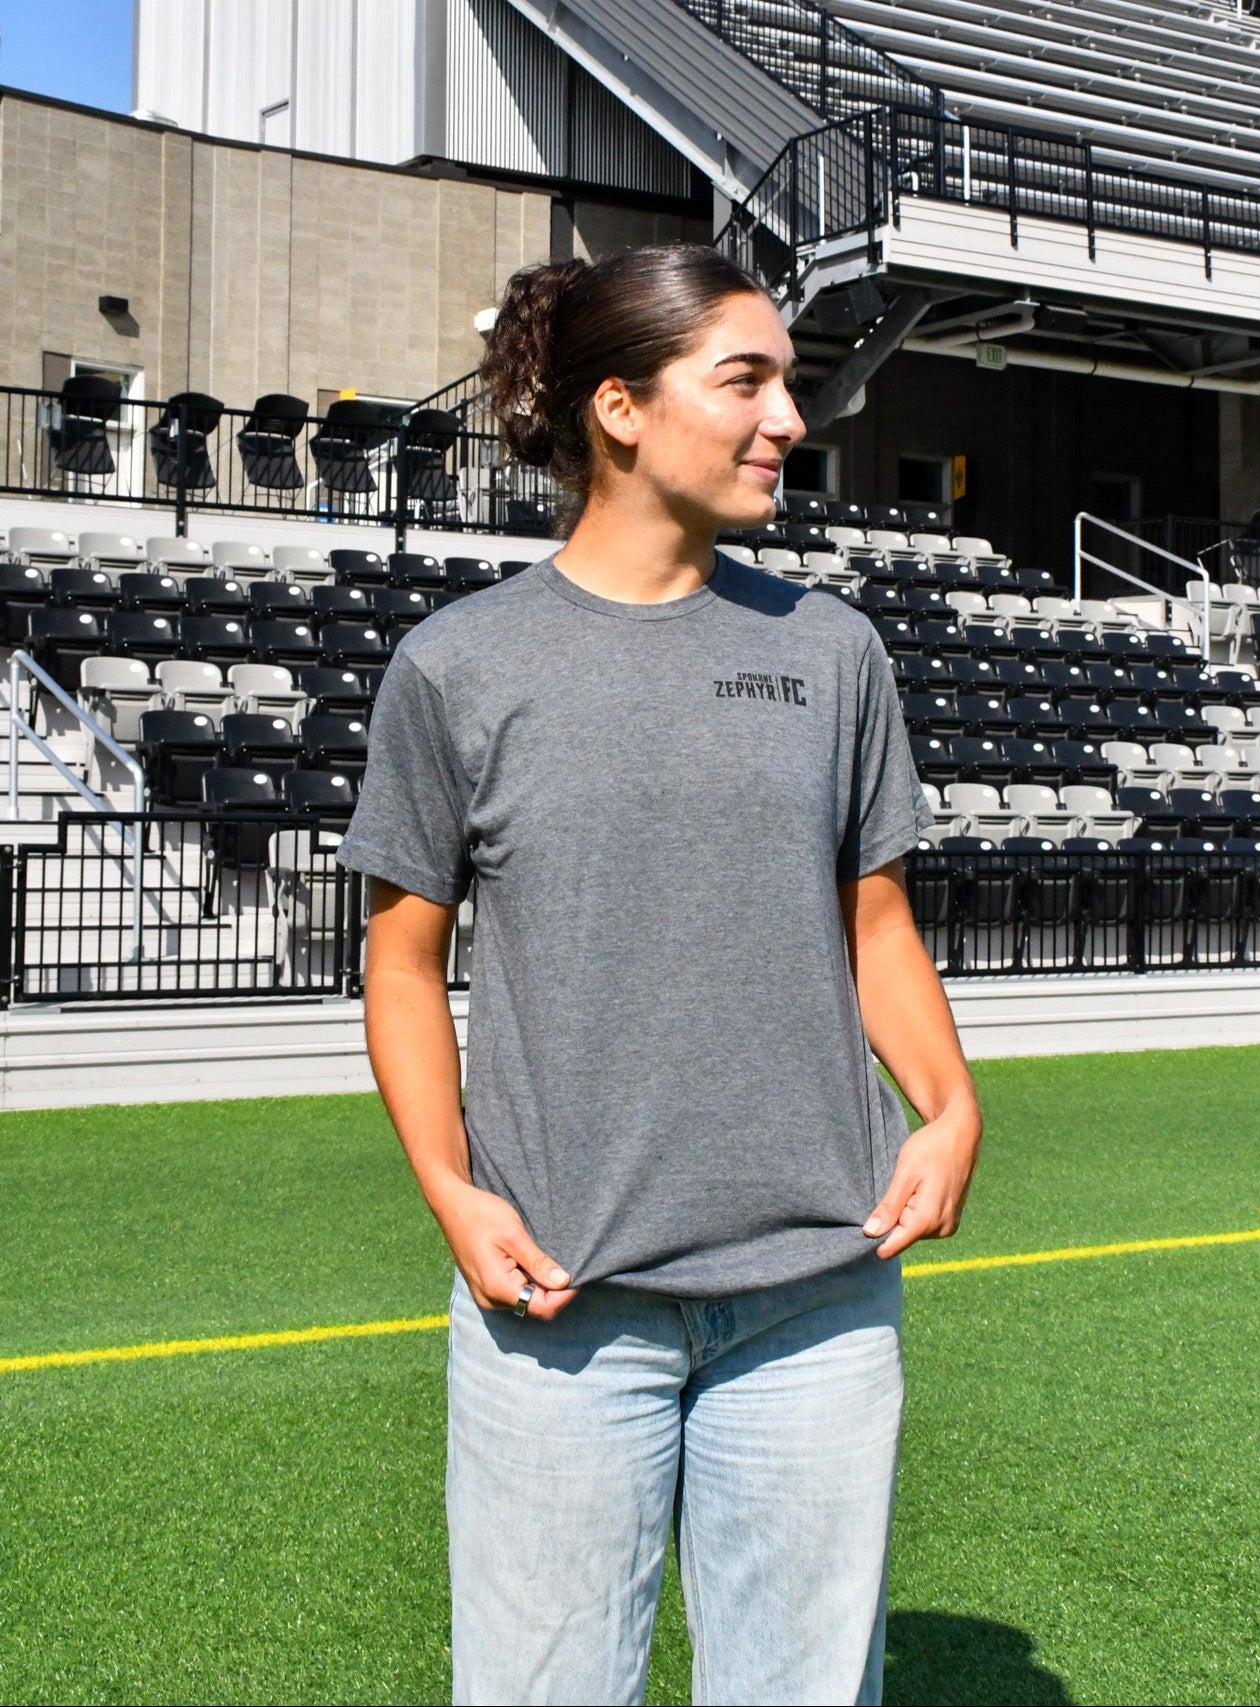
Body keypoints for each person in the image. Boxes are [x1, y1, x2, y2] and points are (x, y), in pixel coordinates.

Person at [339, 243, 982, 1707]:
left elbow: (877, 925)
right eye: (744, 382)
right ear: (620, 409)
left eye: (788, 385)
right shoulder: (458, 666)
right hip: (561, 1303)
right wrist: (451, 1191)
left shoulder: (834, 652)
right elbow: (402, 964)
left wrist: (949, 1110)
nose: (789, 421)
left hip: (818, 1298)